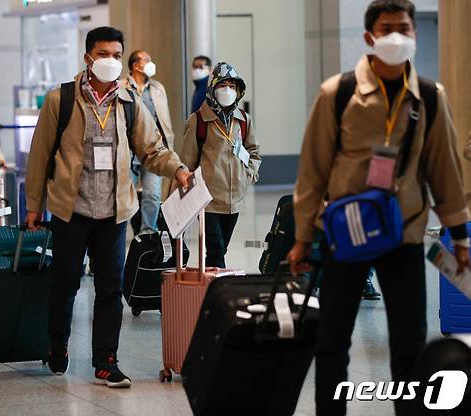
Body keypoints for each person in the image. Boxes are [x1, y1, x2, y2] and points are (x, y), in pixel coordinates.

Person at [287, 1, 470, 415]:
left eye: (404, 28)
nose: (396, 36)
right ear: (369, 36)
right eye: (387, 28)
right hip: (345, 235)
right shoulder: (339, 93)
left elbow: (445, 172)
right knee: (333, 341)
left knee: (409, 343)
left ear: (415, 34)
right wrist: (301, 239)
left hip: (404, 234)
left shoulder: (429, 96)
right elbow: (313, 170)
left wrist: (458, 235)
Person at [25, 26, 191, 388]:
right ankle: (58, 345)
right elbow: (39, 156)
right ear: (88, 58)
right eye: (103, 54)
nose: (111, 61)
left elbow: (152, 148)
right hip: (71, 210)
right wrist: (33, 206)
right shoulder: (62, 100)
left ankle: (106, 360)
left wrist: (177, 168)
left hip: (115, 212)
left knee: (110, 289)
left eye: (117, 55)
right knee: (64, 285)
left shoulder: (130, 103)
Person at [179, 62, 260, 268]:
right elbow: (187, 161)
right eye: (223, 85)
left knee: (219, 249)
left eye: (232, 86)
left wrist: (249, 174)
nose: (228, 90)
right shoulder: (198, 120)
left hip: (235, 199)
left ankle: (208, 286)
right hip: (208, 199)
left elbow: (253, 151)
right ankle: (218, 292)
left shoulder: (243, 120)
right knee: (216, 250)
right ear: (213, 88)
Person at [123, 50, 175, 233]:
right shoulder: (121, 86)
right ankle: (117, 232)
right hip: (127, 152)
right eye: (147, 60)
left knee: (152, 195)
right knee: (121, 196)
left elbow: (164, 120)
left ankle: (148, 233)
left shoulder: (157, 88)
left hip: (153, 151)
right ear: (135, 65)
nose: (151, 63)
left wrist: (168, 148)